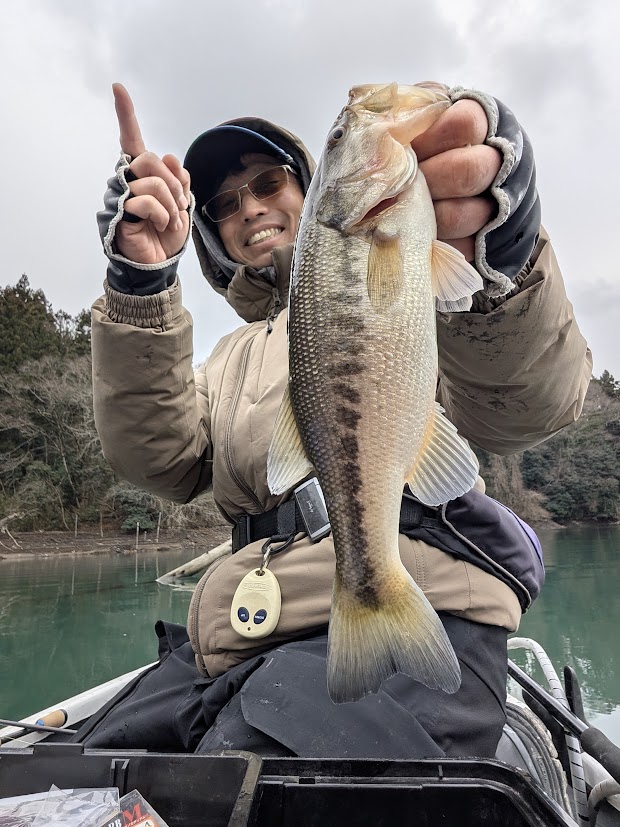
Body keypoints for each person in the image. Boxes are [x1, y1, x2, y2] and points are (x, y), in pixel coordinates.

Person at [77, 82, 592, 758]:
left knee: (249, 774)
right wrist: (139, 284)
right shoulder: (226, 359)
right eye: (226, 204)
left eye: (269, 183)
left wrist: (505, 255)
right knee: (85, 769)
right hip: (241, 636)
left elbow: (530, 402)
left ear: (313, 189)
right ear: (212, 230)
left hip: (428, 595)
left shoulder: (426, 285)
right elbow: (157, 459)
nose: (250, 208)